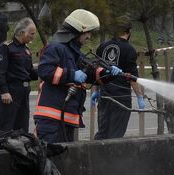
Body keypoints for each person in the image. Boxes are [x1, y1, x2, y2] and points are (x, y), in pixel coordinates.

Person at [35, 9, 122, 143]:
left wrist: (108, 74)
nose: (89, 37)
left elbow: (90, 75)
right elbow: (45, 71)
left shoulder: (74, 53)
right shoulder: (56, 48)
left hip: (65, 118)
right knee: (49, 159)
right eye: (88, 33)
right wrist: (72, 74)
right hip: (51, 119)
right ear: (78, 31)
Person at [90, 15, 145, 140]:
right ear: (129, 31)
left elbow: (95, 72)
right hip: (121, 99)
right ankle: (109, 159)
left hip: (104, 98)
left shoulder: (102, 46)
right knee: (115, 137)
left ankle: (96, 157)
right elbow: (132, 77)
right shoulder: (129, 49)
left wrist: (95, 91)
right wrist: (140, 97)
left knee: (102, 133)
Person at [0, 18, 38, 134]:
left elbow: (29, 72)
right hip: (11, 91)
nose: (33, 37)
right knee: (5, 126)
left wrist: (44, 70)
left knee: (22, 127)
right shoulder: (6, 47)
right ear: (22, 33)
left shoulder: (26, 49)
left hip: (24, 92)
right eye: (31, 34)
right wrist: (3, 91)